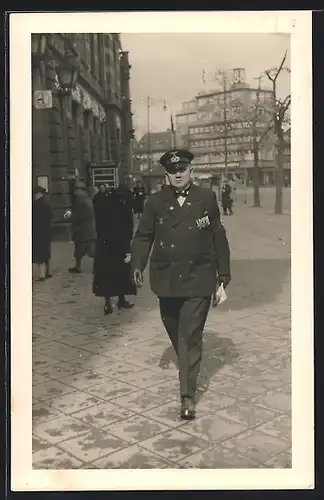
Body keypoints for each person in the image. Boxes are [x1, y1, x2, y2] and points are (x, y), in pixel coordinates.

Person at [131, 149, 231, 420]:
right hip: (167, 279)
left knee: (189, 336)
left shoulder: (206, 198)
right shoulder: (155, 202)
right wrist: (137, 265)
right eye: (173, 171)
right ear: (166, 175)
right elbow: (143, 236)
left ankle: (187, 395)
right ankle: (187, 362)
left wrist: (223, 271)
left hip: (199, 277)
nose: (178, 174)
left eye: (183, 170)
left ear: (191, 171)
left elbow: (217, 234)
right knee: (176, 331)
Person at [93, 185, 137, 315]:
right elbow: (127, 230)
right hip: (120, 246)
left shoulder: (103, 206)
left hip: (104, 246)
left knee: (106, 274)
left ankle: (108, 304)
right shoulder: (123, 209)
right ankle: (121, 299)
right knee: (121, 273)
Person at [64, 182, 97, 274]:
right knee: (83, 251)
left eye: (76, 190)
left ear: (81, 191)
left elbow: (79, 216)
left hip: (84, 230)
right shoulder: (87, 199)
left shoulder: (81, 201)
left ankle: (80, 267)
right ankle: (78, 267)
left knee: (88, 251)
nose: (75, 193)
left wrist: (70, 217)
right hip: (88, 230)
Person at [32, 186, 53, 281]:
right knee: (46, 251)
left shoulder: (35, 205)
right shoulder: (47, 203)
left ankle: (42, 274)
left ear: (37, 194)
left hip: (38, 231)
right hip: (47, 230)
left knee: (39, 252)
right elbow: (51, 216)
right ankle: (49, 271)